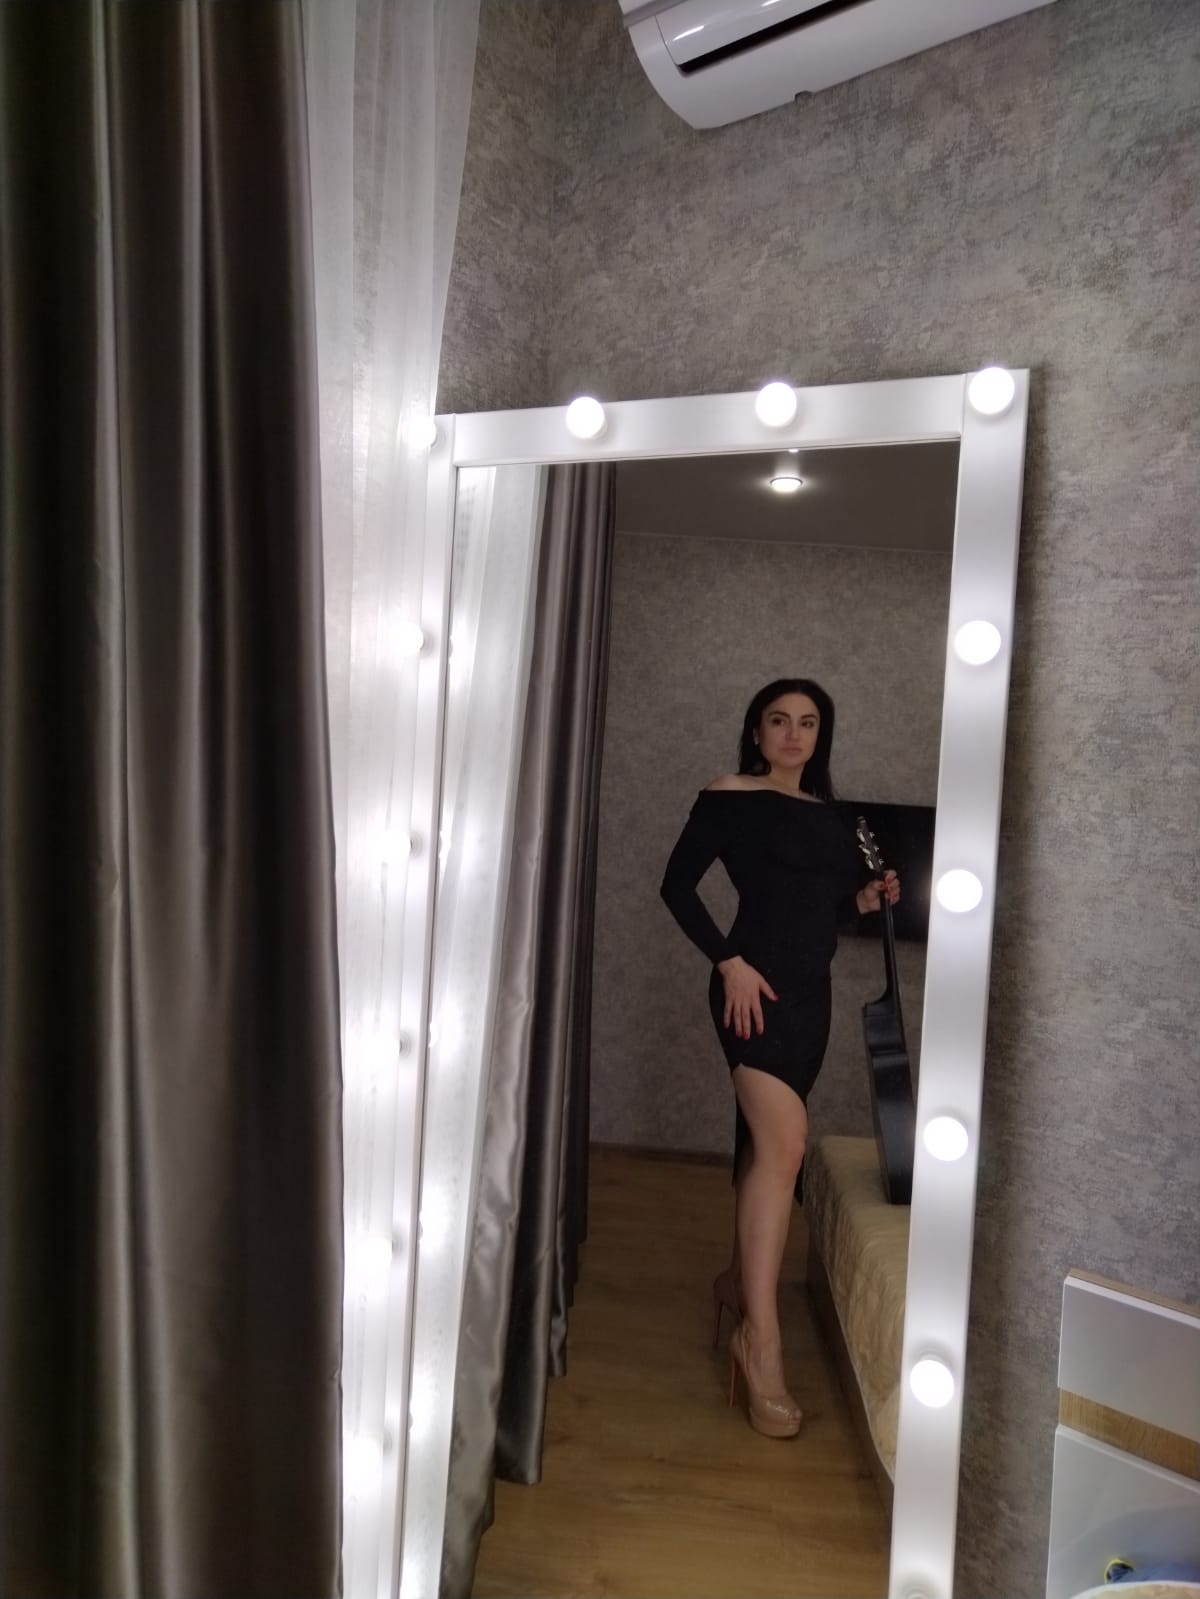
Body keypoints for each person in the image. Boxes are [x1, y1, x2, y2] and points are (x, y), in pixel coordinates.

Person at [659, 678, 899, 1439]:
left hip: (810, 999)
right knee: (787, 1147)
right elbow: (676, 887)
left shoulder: (832, 817)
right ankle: (759, 1342)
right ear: (757, 732)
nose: (794, 734)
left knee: (764, 1147)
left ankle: (738, 1281)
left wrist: (862, 904)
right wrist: (728, 961)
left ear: (820, 736)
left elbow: (818, 910)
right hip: (751, 989)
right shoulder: (729, 794)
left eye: (808, 722)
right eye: (779, 720)